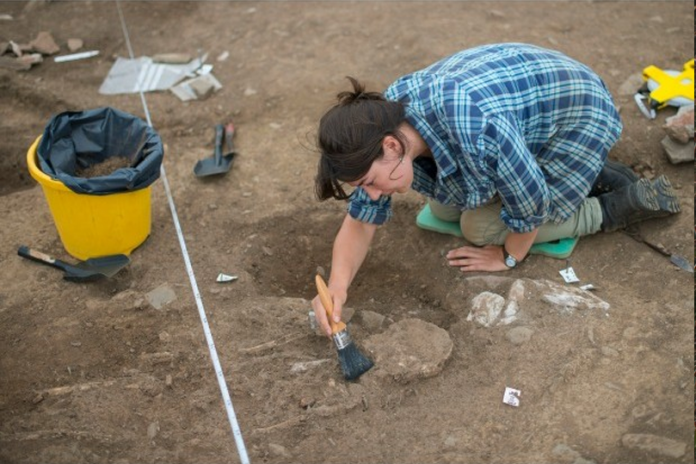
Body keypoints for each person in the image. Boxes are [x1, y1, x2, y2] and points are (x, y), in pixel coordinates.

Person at [311, 43, 680, 337]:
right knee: (442, 209)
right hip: (529, 112)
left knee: (480, 229)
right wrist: (337, 288)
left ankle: (616, 205)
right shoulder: (383, 123)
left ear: (392, 147)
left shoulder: (478, 131)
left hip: (578, 116)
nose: (372, 194)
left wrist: (507, 256)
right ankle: (595, 171)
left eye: (370, 184)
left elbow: (530, 205)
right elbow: (360, 221)